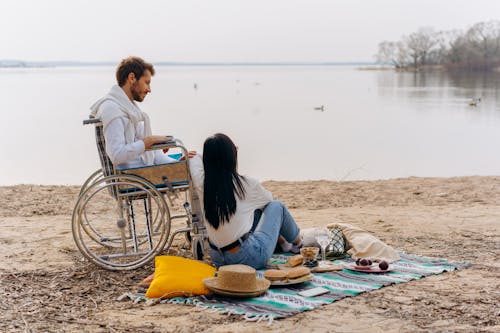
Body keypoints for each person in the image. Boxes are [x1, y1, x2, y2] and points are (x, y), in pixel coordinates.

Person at [189, 133, 302, 269]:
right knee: (276, 206)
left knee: (253, 213)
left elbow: (195, 158)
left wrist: (208, 154)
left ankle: (284, 244)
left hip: (218, 259)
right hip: (247, 258)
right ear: (231, 156)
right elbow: (269, 202)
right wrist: (230, 151)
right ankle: (298, 243)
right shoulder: (246, 184)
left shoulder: (201, 182)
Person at [90, 56, 189, 169]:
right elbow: (117, 155)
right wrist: (149, 141)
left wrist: (174, 162)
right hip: (135, 176)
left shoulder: (129, 109)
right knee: (200, 165)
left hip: (145, 169)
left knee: (197, 160)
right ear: (132, 78)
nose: (149, 89)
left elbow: (149, 150)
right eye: (147, 82)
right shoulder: (113, 109)